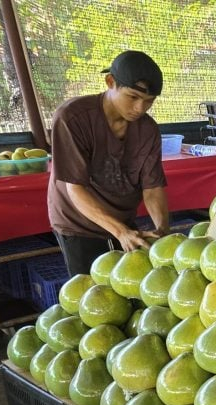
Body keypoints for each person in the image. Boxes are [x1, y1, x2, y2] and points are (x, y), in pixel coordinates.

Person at [48, 50, 169, 276]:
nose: (140, 109)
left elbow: (152, 188)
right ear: (110, 82)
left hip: (124, 219)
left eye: (149, 102)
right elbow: (75, 188)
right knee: (92, 293)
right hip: (79, 223)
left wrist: (162, 230)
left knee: (130, 289)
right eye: (133, 97)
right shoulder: (72, 118)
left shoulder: (148, 130)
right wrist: (120, 232)